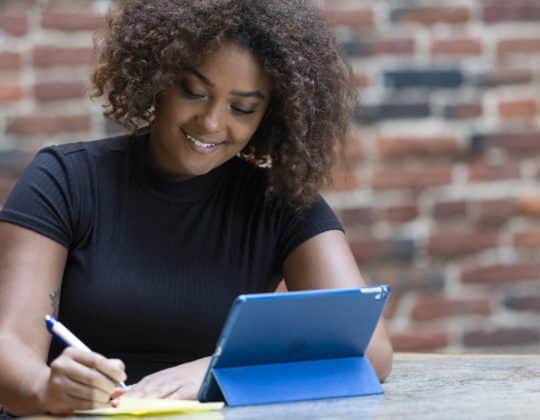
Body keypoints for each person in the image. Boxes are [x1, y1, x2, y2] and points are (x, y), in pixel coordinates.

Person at [0, 0, 393, 415]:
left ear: (270, 115)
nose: (210, 122)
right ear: (158, 78)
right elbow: (9, 349)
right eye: (193, 91)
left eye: (242, 108)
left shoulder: (279, 202)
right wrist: (48, 389)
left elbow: (368, 350)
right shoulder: (65, 180)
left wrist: (209, 373)